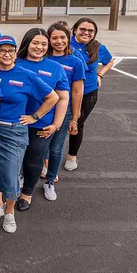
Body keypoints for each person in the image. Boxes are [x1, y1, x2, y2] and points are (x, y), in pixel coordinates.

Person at [0, 35, 58, 234]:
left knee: (10, 173)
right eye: (2, 50)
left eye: (10, 50)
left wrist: (35, 116)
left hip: (13, 131)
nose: (6, 54)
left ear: (16, 53)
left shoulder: (25, 75)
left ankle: (10, 212)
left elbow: (53, 97)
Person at [16, 28, 70, 212]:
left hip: (41, 125)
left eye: (43, 44)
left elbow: (63, 98)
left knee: (33, 160)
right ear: (27, 43)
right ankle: (6, 188)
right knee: (11, 159)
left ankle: (27, 193)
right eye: (35, 43)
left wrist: (56, 125)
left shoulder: (55, 68)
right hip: (14, 123)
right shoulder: (14, 63)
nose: (39, 47)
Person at [44, 22, 86, 196]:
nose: (59, 41)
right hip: (42, 108)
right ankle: (29, 173)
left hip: (64, 110)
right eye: (54, 38)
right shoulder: (42, 58)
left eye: (62, 37)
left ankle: (50, 180)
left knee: (56, 147)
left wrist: (75, 118)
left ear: (69, 39)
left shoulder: (75, 62)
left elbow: (77, 92)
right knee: (38, 145)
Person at [66, 18, 113, 171]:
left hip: (88, 92)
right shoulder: (66, 42)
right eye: (82, 29)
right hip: (64, 91)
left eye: (90, 30)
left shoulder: (98, 47)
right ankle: (47, 158)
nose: (86, 33)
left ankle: (72, 155)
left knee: (78, 123)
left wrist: (100, 74)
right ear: (74, 30)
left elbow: (110, 61)